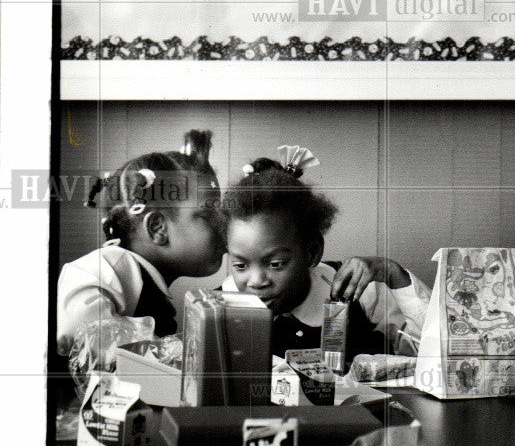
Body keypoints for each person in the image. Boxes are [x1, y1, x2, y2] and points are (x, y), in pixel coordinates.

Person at [221, 146, 430, 360]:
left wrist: (393, 275)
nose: (256, 282)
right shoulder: (217, 308)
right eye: (240, 266)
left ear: (312, 252)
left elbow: (433, 353)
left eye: (275, 264)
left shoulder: (358, 291)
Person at [57, 129, 225, 362]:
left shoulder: (151, 286)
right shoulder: (106, 267)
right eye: (208, 213)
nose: (225, 223)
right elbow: (80, 333)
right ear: (158, 228)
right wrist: (169, 352)